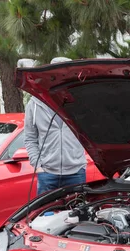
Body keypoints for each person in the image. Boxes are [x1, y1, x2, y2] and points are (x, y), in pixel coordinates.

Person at [24, 57, 87, 196]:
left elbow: (89, 133)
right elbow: (30, 138)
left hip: (76, 173)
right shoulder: (35, 103)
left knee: (78, 216)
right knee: (46, 216)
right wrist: (38, 166)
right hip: (47, 174)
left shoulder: (79, 102)